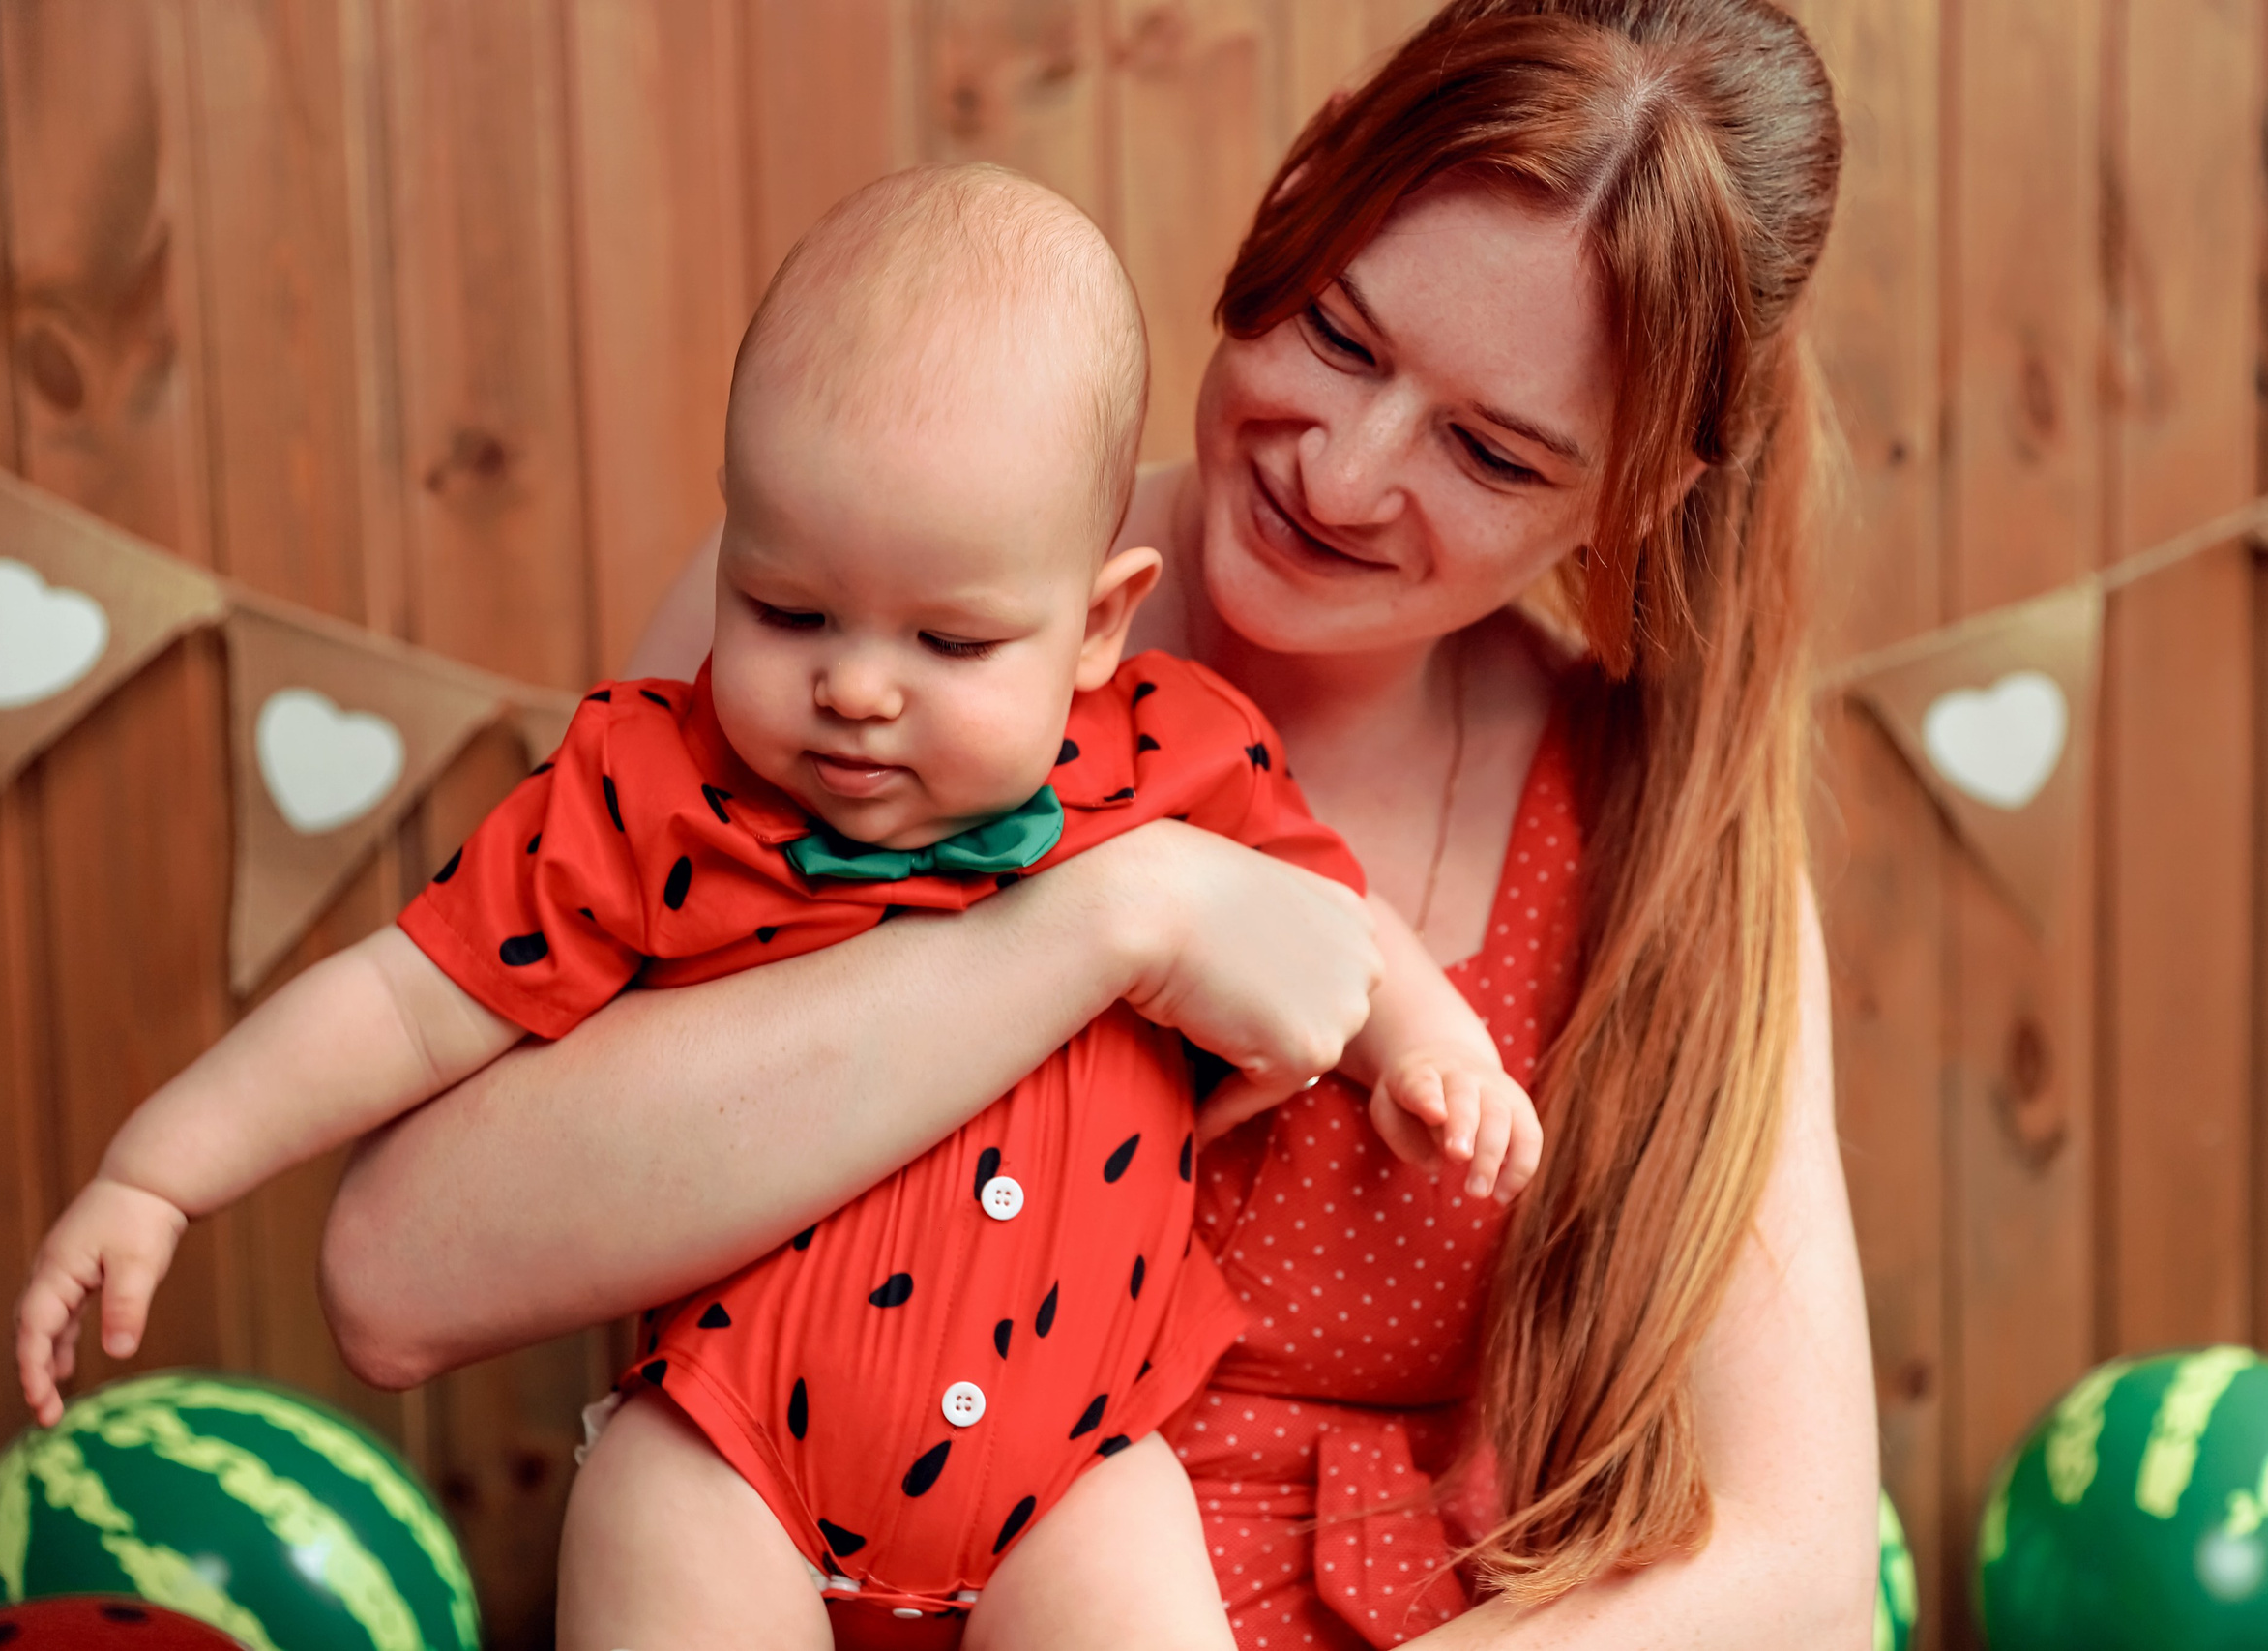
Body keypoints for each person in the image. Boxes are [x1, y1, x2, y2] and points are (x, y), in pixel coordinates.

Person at [323, 2, 1881, 1643]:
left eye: (1490, 451)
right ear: (1301, 185)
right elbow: (404, 1269)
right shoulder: (847, 635)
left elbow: (1791, 1576)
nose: (1340, 476)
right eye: (1341, 339)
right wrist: (1105, 920)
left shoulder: (1652, 816)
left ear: (1642, 489)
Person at [14, 165, 1537, 1650]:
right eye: (787, 609)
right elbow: (410, 997)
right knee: (649, 1518)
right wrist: (161, 1169)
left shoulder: (1176, 753)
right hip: (730, 1454)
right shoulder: (648, 790)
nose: (855, 688)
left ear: (1096, 625)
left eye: (948, 639)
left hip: (1083, 1469)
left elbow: (1326, 920)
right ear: (730, 548)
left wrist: (1427, 1046)